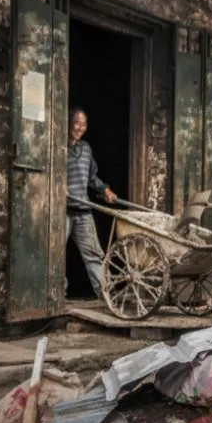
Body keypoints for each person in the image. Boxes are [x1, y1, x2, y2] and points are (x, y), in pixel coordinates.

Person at [66, 107, 116, 297]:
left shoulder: (86, 148)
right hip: (60, 211)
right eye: (76, 123)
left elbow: (92, 177)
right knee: (53, 255)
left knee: (94, 255)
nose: (80, 128)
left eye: (83, 124)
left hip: (83, 211)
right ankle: (55, 297)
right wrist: (57, 185)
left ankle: (107, 296)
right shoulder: (56, 147)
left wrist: (105, 190)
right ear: (68, 123)